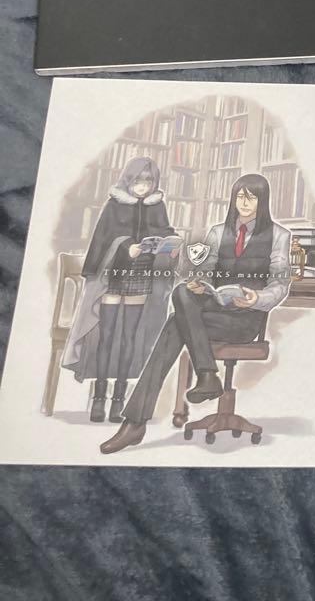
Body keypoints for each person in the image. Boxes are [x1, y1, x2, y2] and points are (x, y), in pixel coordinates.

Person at [100, 173, 291, 454]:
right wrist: (199, 282)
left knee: (176, 323)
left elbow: (280, 284)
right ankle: (206, 375)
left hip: (244, 320)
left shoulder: (279, 236)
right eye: (240, 196)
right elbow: (206, 270)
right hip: (214, 311)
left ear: (263, 201)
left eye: (251, 197)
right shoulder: (218, 231)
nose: (244, 203)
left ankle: (136, 423)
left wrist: (257, 298)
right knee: (182, 291)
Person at [62, 157, 177, 423]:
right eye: (138, 180)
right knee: (107, 337)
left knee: (129, 338)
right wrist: (126, 246)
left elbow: (165, 232)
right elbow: (103, 238)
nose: (143, 186)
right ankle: (98, 399)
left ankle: (119, 401)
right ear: (128, 179)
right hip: (111, 276)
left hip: (141, 275)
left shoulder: (158, 206)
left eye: (148, 181)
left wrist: (171, 244)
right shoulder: (114, 205)